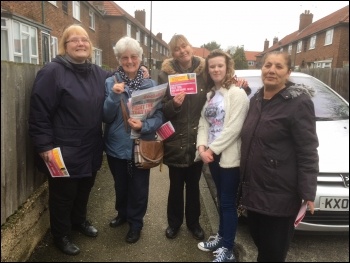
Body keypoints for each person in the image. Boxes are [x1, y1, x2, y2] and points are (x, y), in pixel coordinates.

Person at [28, 24, 114, 256]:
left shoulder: (97, 73)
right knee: (62, 196)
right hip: (62, 148)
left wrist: (142, 68)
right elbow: (39, 113)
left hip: (91, 145)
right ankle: (61, 235)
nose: (80, 43)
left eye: (84, 39)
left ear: (90, 45)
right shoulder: (52, 72)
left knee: (84, 188)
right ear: (64, 46)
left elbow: (122, 77)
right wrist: (44, 146)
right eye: (74, 40)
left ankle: (79, 221)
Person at [158, 34, 249, 241]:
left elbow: (222, 91)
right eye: (177, 49)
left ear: (190, 47)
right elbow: (163, 109)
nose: (182, 51)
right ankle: (174, 223)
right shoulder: (165, 76)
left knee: (193, 186)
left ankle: (193, 223)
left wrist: (243, 86)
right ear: (172, 54)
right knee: (174, 187)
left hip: (198, 140)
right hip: (176, 141)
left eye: (184, 46)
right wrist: (175, 104)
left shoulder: (205, 72)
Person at [239, 51, 319, 262]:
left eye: (278, 66)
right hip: (254, 190)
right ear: (262, 69)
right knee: (260, 242)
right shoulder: (256, 99)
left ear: (288, 72)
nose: (271, 70)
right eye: (267, 65)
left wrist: (308, 191)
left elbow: (308, 150)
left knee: (272, 253)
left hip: (280, 195)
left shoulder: (298, 103)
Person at [103, 36, 164, 244]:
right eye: (124, 57)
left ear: (140, 58)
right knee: (120, 185)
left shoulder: (150, 84)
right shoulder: (110, 82)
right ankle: (122, 214)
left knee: (138, 188)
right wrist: (112, 97)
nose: (129, 61)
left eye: (133, 57)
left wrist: (144, 126)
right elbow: (105, 116)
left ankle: (135, 223)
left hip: (141, 143)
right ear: (119, 59)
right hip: (116, 145)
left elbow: (159, 116)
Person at [196, 50, 249, 262]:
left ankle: (227, 250)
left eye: (220, 65)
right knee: (221, 199)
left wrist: (211, 150)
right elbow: (203, 123)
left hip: (228, 157)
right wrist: (201, 148)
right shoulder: (210, 95)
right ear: (208, 70)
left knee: (227, 203)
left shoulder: (237, 94)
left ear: (227, 68)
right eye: (212, 66)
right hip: (212, 156)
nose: (216, 69)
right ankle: (221, 237)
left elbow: (234, 128)